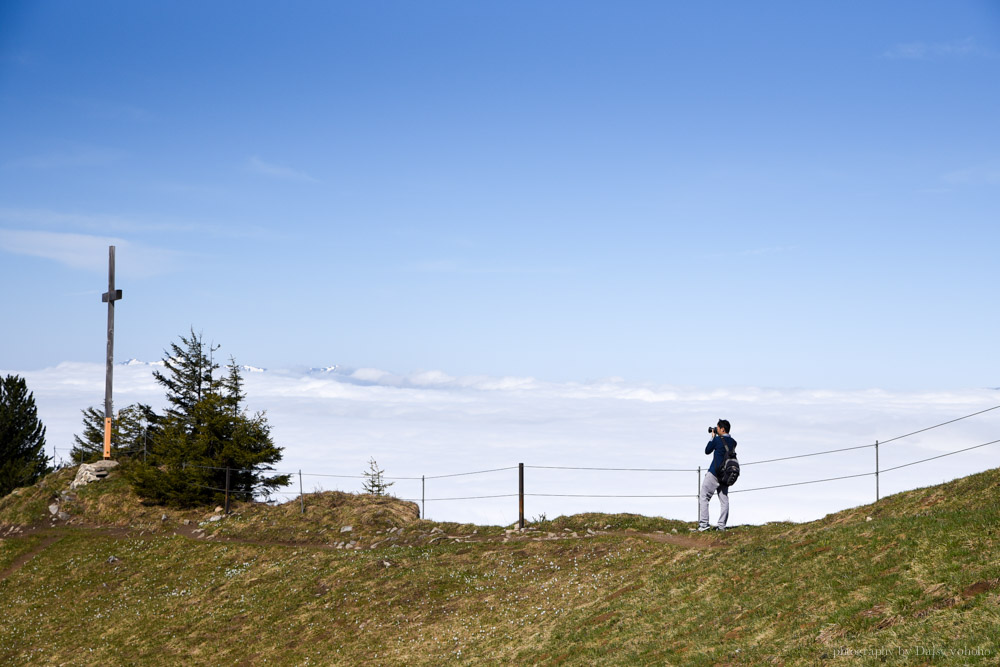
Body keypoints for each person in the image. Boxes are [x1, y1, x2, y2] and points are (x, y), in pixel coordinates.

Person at [697, 419, 737, 532]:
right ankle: (721, 526)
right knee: (724, 500)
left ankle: (704, 525)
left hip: (714, 473)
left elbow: (707, 450)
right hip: (726, 475)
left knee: (704, 496)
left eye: (717, 427)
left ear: (722, 429)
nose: (716, 429)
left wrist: (713, 437)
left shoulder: (717, 440)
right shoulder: (733, 442)